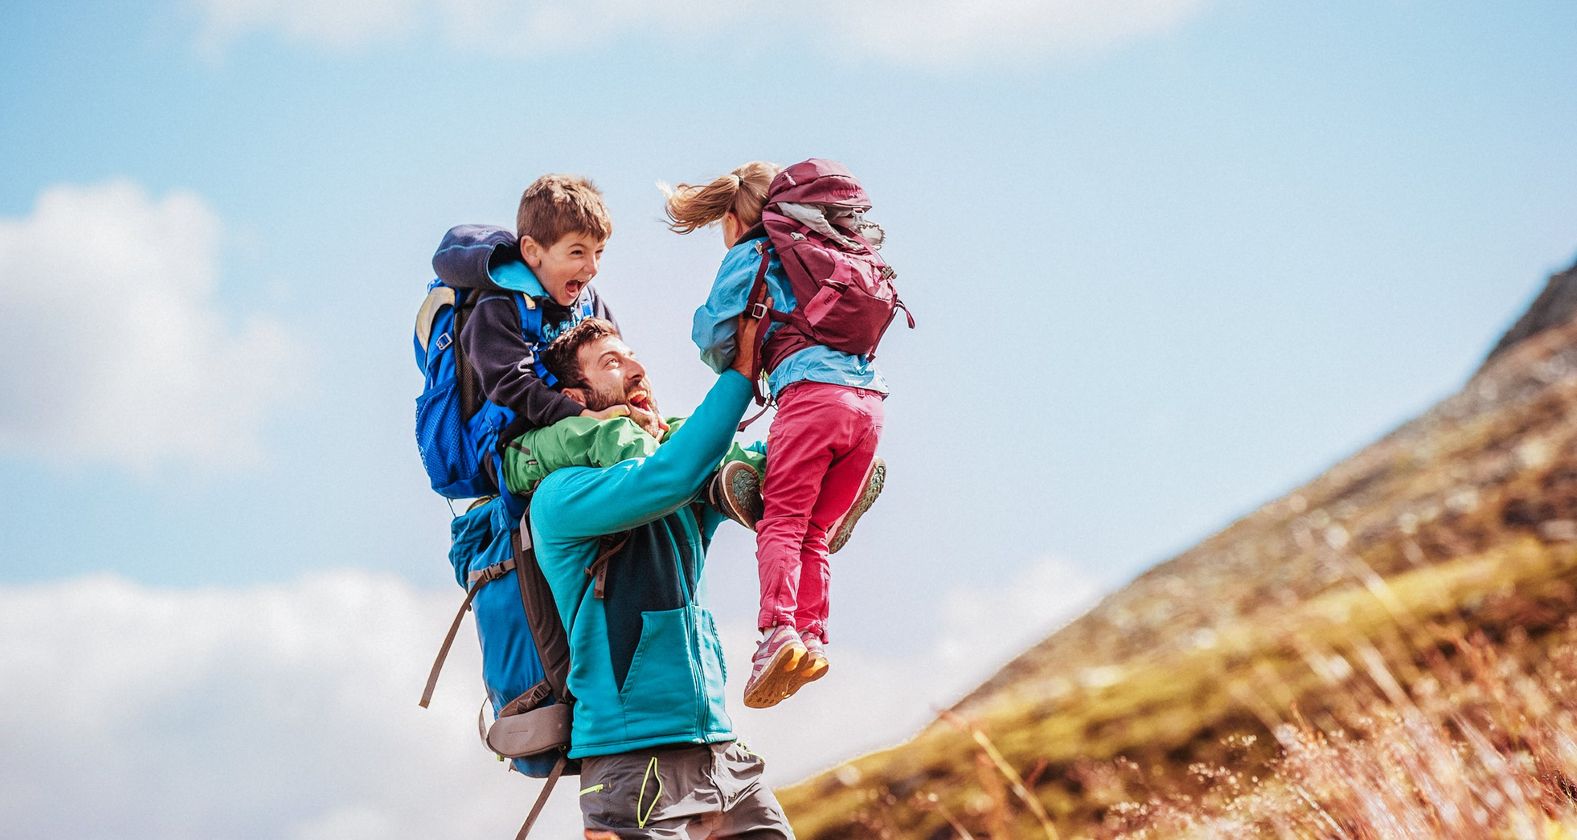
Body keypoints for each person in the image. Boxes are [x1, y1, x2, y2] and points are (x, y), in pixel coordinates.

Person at [529, 316, 794, 837]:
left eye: (631, 355)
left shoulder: (672, 479)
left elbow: (731, 473)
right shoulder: (561, 495)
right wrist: (739, 375)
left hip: (720, 750)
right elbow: (671, 476)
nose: (637, 368)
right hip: (630, 763)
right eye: (611, 362)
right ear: (575, 397)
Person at [664, 161, 888, 709]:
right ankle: (810, 636)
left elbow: (712, 336)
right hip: (869, 407)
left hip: (810, 399)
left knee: (782, 521)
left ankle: (776, 633)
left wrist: (735, 345)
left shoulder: (753, 253)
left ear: (737, 217)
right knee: (815, 530)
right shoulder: (837, 251)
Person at [445, 174, 630, 473]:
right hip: (515, 444)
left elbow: (620, 364)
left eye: (598, 252)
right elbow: (511, 383)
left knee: (660, 428)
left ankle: (717, 476)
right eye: (577, 252)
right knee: (612, 439)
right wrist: (580, 414)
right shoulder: (500, 307)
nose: (592, 267)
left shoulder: (589, 305)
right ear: (532, 251)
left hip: (583, 425)